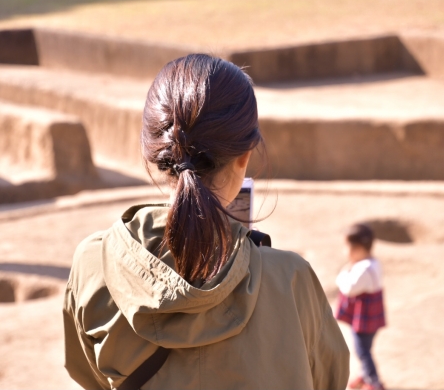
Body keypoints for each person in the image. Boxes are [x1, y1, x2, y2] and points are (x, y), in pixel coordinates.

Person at [63, 54, 349, 390]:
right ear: (245, 155)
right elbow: (329, 378)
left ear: (153, 153)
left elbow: (89, 375)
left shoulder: (93, 264)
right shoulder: (291, 280)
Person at [335, 224, 386, 390]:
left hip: (364, 320)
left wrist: (341, 275)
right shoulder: (373, 262)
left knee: (362, 350)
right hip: (371, 317)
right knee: (366, 347)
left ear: (356, 248)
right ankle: (364, 375)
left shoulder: (363, 269)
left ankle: (374, 381)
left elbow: (349, 288)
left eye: (346, 247)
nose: (345, 251)